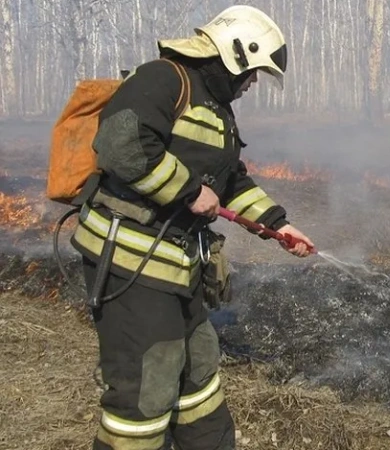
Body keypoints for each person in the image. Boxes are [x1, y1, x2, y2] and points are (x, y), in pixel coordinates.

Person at [69, 5, 314, 449]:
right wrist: (185, 191)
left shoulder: (216, 108)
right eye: (251, 72)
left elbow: (229, 179)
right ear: (234, 54)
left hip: (178, 268)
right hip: (132, 264)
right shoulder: (163, 79)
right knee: (146, 386)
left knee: (197, 368)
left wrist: (280, 226)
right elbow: (120, 142)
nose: (252, 83)